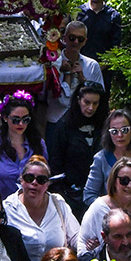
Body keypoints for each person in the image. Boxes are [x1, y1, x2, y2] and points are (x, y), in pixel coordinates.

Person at [3, 156, 81, 261]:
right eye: (29, 178)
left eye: (41, 180)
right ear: (21, 180)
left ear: (47, 184)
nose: (34, 183)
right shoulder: (8, 208)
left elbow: (76, 237)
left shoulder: (58, 203)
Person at [45, 80, 106, 217]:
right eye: (87, 102)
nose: (90, 108)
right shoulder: (64, 126)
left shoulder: (104, 125)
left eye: (95, 103)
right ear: (79, 100)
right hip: (71, 194)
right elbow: (55, 163)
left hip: (99, 192)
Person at [78, 158, 131, 254]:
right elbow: (82, 246)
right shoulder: (97, 208)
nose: (130, 185)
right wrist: (95, 252)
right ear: (114, 181)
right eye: (124, 180)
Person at [0, 90, 48, 198]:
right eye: (15, 120)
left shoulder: (38, 143)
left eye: (26, 119)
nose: (21, 124)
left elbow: (44, 174)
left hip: (29, 203)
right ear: (5, 117)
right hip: (0, 203)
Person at [45, 21, 104, 127]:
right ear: (64, 38)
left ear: (85, 41)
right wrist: (64, 72)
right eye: (72, 38)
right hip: (55, 120)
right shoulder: (53, 63)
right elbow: (55, 98)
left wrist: (83, 80)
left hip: (82, 124)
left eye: (80, 39)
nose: (76, 42)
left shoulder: (92, 65)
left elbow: (100, 96)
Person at [76, 0, 121, 89]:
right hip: (79, 68)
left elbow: (115, 48)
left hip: (103, 72)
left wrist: (98, 68)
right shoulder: (78, 13)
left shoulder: (113, 16)